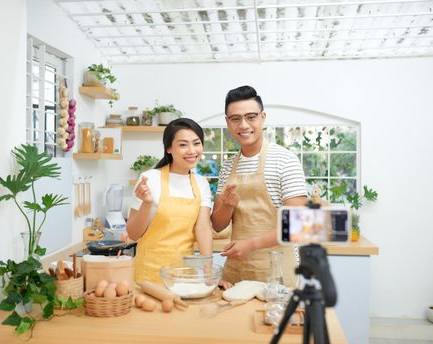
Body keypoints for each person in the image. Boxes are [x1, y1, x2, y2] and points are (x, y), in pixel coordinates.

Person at [212, 86, 308, 288]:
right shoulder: (228, 166)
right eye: (235, 118)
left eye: (251, 117)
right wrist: (228, 205)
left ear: (263, 117)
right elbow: (218, 225)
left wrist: (252, 245)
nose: (244, 125)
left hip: (277, 272)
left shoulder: (285, 160)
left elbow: (297, 226)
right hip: (236, 271)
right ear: (227, 121)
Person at [127, 118, 213, 283]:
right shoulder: (149, 179)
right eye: (183, 145)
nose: (191, 150)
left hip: (185, 274)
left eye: (196, 143)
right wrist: (146, 204)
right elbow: (133, 233)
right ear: (168, 148)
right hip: (149, 274)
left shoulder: (201, 183)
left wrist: (209, 273)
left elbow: (203, 229)